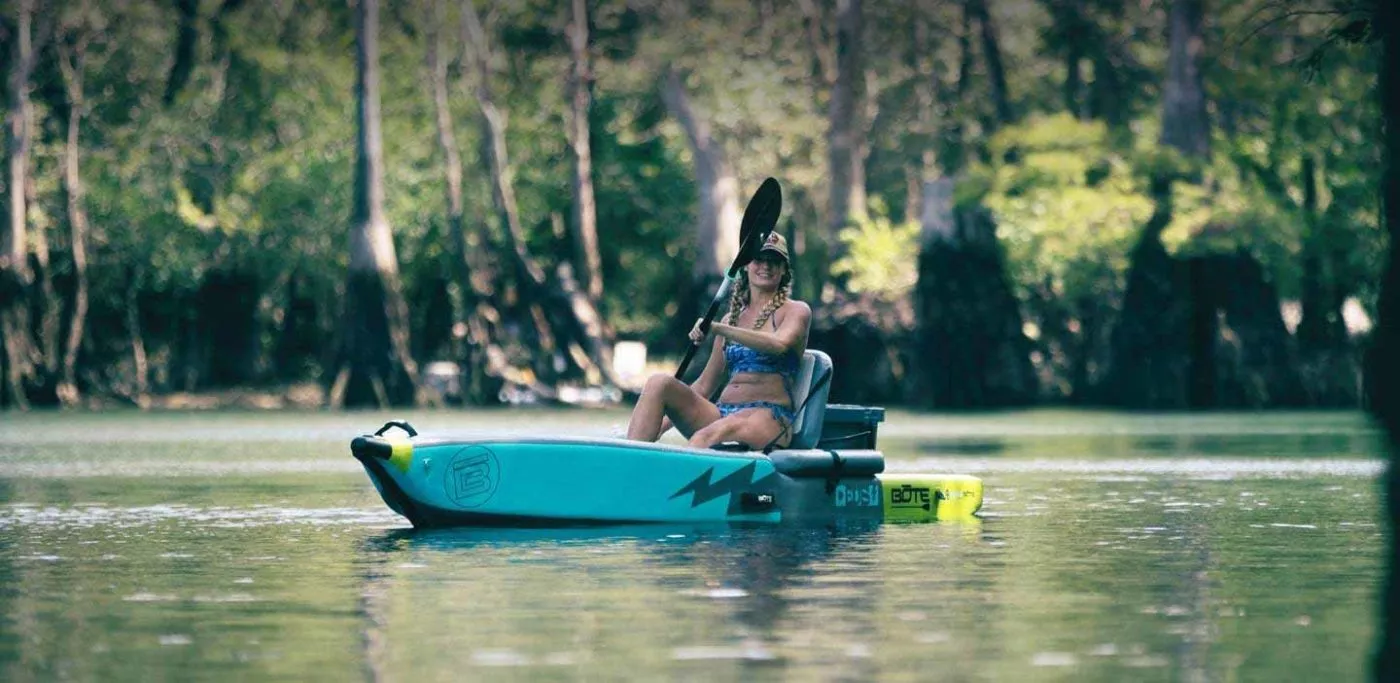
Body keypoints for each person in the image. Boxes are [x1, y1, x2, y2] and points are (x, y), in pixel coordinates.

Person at [627, 232, 812, 449]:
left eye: (774, 261)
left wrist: (717, 328)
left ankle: (680, 478)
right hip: (722, 414)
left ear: (784, 270)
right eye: (759, 259)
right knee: (659, 383)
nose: (766, 266)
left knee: (706, 436)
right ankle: (632, 456)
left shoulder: (797, 311)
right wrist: (661, 426)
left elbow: (778, 344)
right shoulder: (731, 319)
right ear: (746, 266)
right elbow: (705, 385)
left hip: (769, 417)